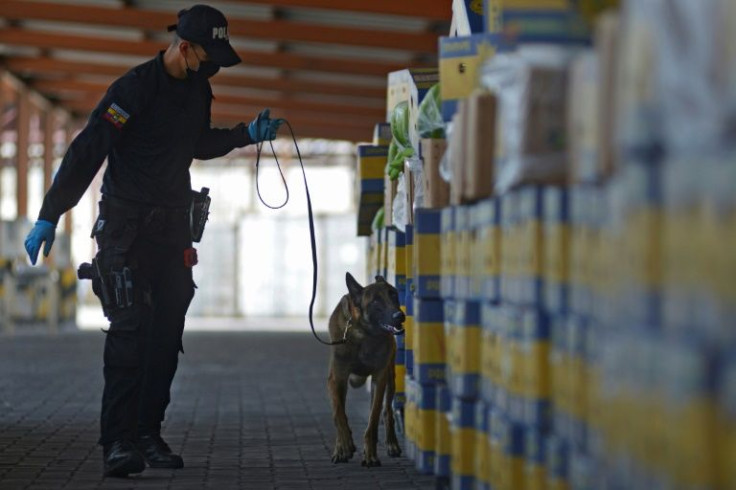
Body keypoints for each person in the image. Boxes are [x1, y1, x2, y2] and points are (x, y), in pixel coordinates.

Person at [23, 4, 281, 478]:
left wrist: (247, 134)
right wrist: (49, 214)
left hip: (172, 231)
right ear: (184, 48)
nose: (214, 68)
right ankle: (118, 442)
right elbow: (88, 150)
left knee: (164, 337)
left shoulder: (198, 89)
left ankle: (147, 434)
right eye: (209, 57)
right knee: (129, 334)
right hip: (125, 231)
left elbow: (196, 143)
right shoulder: (133, 90)